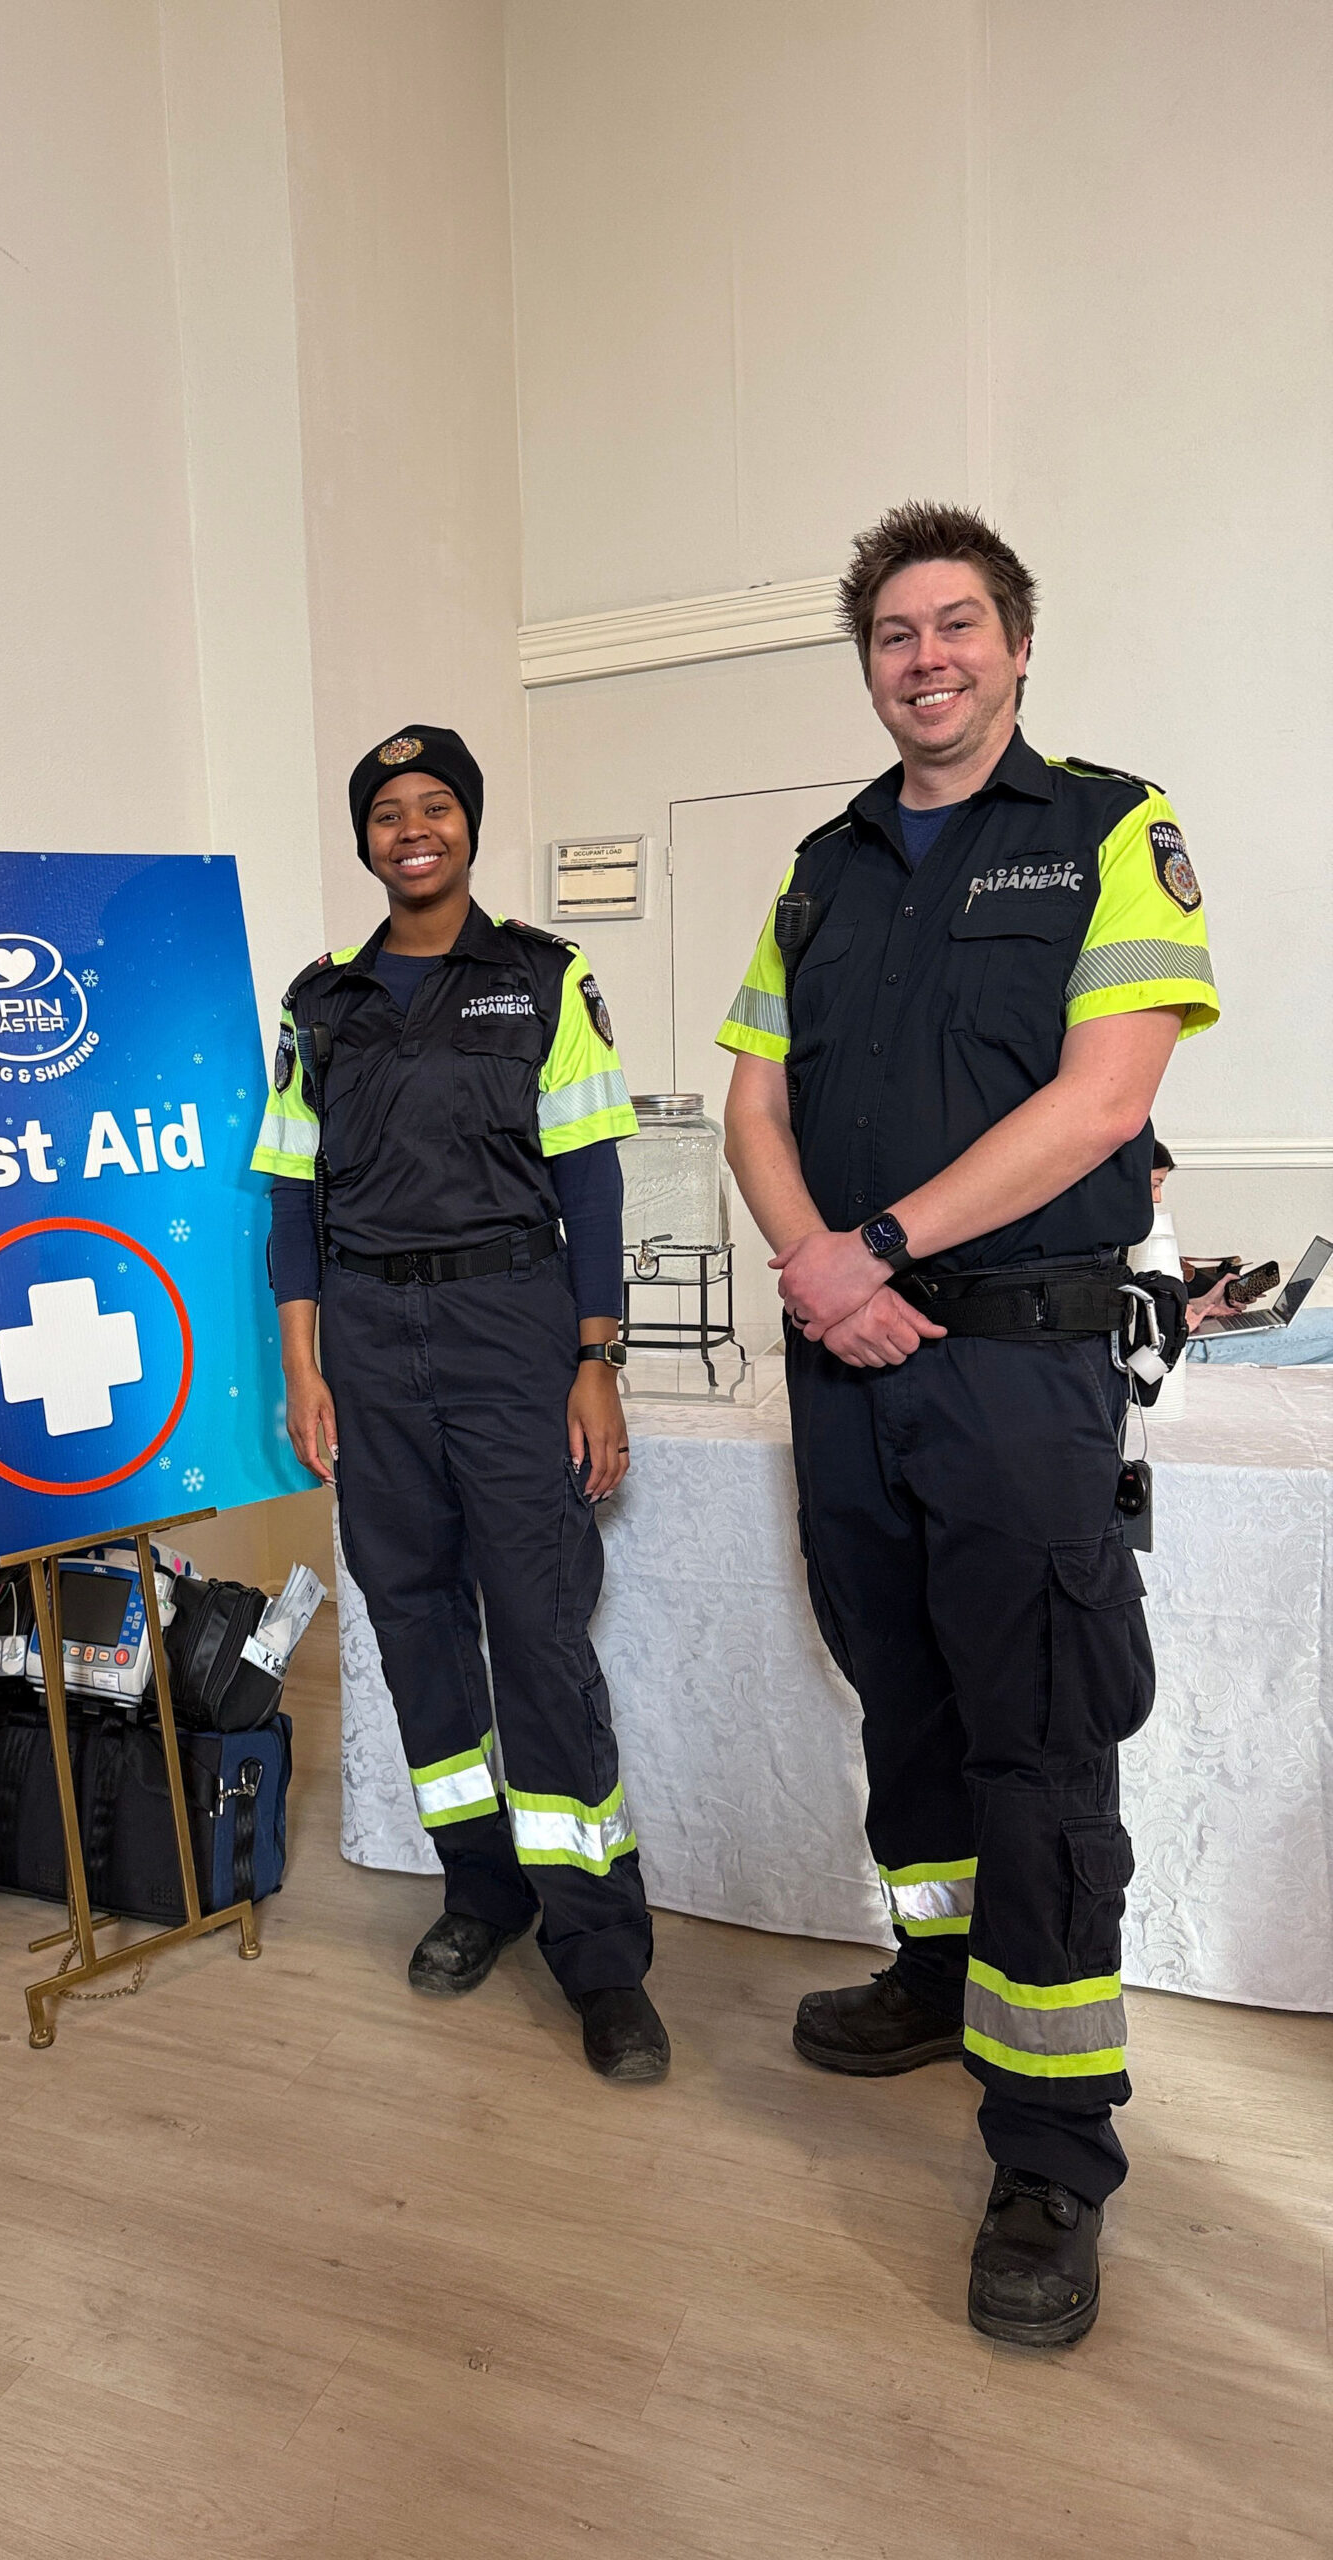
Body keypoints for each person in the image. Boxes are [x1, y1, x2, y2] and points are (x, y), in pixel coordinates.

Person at [717, 504, 1218, 2345]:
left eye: (957, 626)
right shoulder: (821, 868)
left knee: (1040, 1742)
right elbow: (751, 1101)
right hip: (847, 1368)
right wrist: (819, 1275)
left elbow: (1103, 1103)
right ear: (868, 665)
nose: (925, 659)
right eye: (894, 635)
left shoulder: (1110, 830)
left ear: (1015, 646)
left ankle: (1053, 2151)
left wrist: (875, 1248)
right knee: (905, 1697)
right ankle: (938, 1975)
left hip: (1015, 1369)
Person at [252, 724, 667, 2081]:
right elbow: (293, 1199)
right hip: (370, 1343)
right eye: (388, 812)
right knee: (416, 1628)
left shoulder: (544, 979)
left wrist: (596, 1358)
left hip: (511, 1332)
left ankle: (601, 1954)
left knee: (539, 1635)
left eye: (437, 806)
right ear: (365, 840)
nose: (412, 829)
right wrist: (304, 1366)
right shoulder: (321, 1003)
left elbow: (593, 1182)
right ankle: (481, 1887)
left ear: (469, 828)